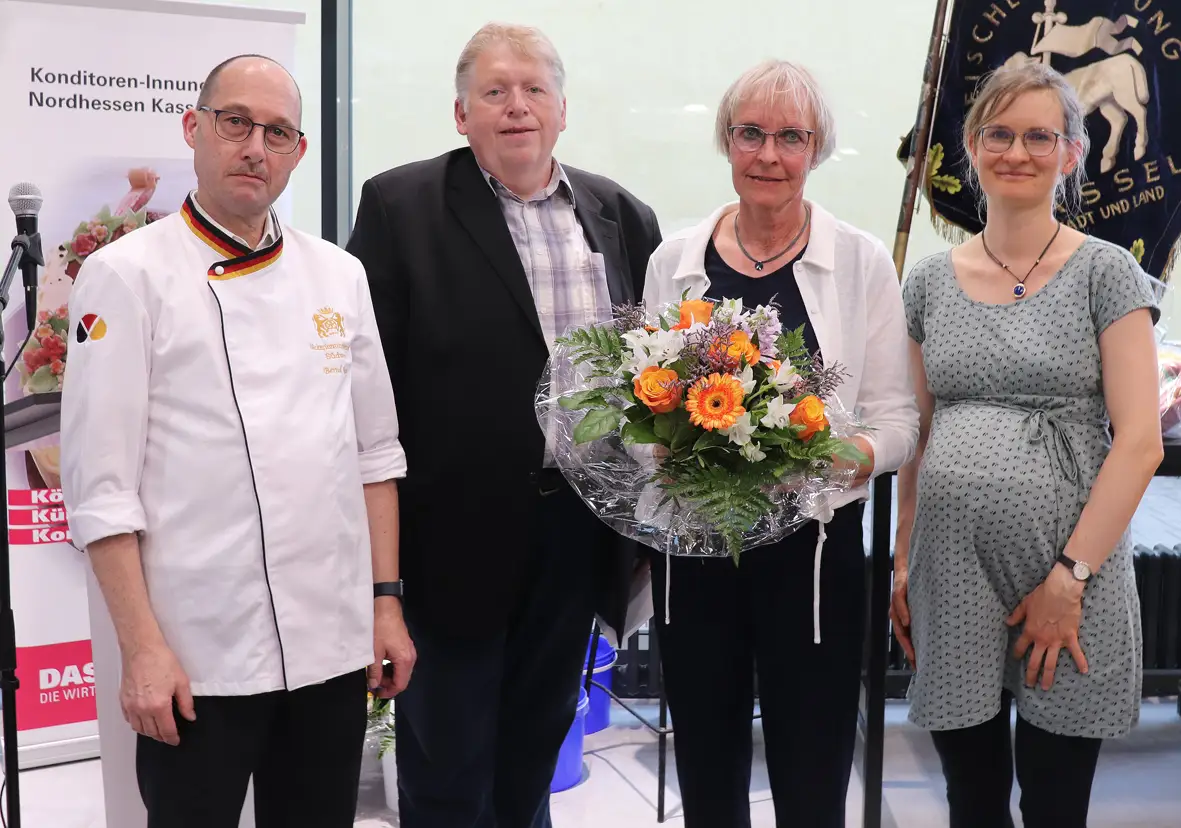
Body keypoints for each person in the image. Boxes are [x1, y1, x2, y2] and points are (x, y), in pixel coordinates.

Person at [60, 54, 415, 828]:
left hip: (330, 643)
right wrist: (141, 649)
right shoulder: (125, 276)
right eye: (235, 123)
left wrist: (384, 605)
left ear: (298, 151)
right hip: (197, 653)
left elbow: (374, 458)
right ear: (193, 128)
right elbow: (101, 491)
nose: (255, 147)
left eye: (277, 132)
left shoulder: (339, 276)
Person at [345, 22, 662, 828]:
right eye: (494, 92)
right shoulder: (400, 206)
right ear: (461, 114)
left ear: (562, 110)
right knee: (446, 763)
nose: (516, 106)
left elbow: (654, 372)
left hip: (576, 533)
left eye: (533, 90)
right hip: (447, 540)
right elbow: (364, 384)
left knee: (534, 751)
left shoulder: (621, 215)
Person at [641, 59, 919, 827]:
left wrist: (850, 456)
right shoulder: (674, 262)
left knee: (812, 768)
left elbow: (897, 420)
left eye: (790, 137)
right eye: (750, 134)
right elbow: (641, 401)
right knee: (706, 765)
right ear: (725, 142)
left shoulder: (859, 261)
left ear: (815, 149)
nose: (768, 155)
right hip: (696, 546)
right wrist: (659, 449)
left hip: (814, 556)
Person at [892, 62, 1163, 828]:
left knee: (1052, 801)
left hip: (1071, 572)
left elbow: (1139, 443)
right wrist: (904, 558)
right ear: (971, 146)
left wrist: (1068, 578)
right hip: (950, 569)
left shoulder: (1106, 273)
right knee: (971, 798)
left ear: (1070, 153)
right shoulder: (928, 283)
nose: (1016, 152)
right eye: (998, 134)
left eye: (1038, 137)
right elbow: (917, 432)